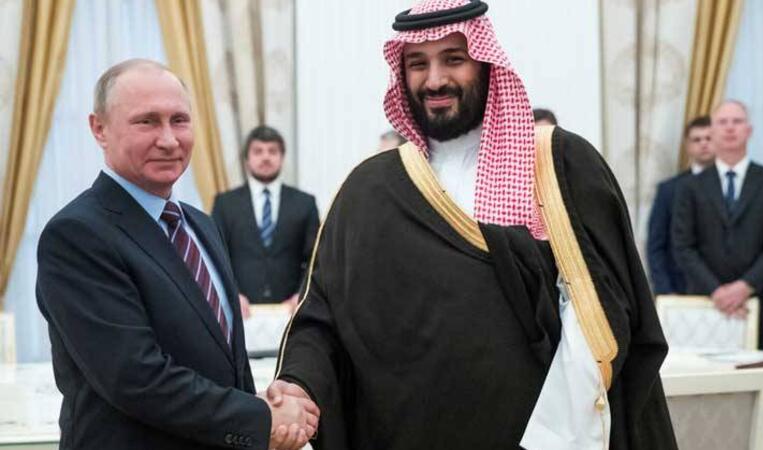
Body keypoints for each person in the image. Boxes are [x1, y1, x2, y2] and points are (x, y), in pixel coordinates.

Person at [269, 1, 676, 449]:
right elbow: (323, 317)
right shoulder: (368, 189)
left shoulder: (557, 165)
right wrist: (298, 385)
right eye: (418, 64)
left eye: (453, 59)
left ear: (485, 63)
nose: (435, 80)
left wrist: (551, 439)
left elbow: (599, 314)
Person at [36, 59, 318, 450]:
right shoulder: (77, 235)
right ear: (99, 128)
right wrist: (259, 419)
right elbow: (135, 377)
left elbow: (221, 362)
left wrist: (263, 410)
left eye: (179, 120)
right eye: (147, 121)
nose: (169, 140)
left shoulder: (200, 225)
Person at [672, 100, 763, 350]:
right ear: (712, 131)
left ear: (748, 130)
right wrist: (717, 292)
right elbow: (683, 246)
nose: (730, 128)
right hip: (706, 306)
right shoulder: (689, 187)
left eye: (737, 121)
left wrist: (744, 287)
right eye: (723, 122)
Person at [212, 125, 319, 315]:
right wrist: (231, 293)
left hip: (291, 312)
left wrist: (302, 294)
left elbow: (315, 257)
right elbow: (216, 255)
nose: (266, 157)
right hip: (239, 312)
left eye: (272, 151)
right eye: (258, 151)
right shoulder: (224, 204)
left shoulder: (305, 203)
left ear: (282, 157)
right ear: (247, 159)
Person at [646, 116, 713, 295]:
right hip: (679, 290)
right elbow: (656, 245)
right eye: (697, 140)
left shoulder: (733, 186)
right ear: (688, 146)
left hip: (727, 293)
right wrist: (665, 290)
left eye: (709, 138)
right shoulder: (669, 189)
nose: (704, 144)